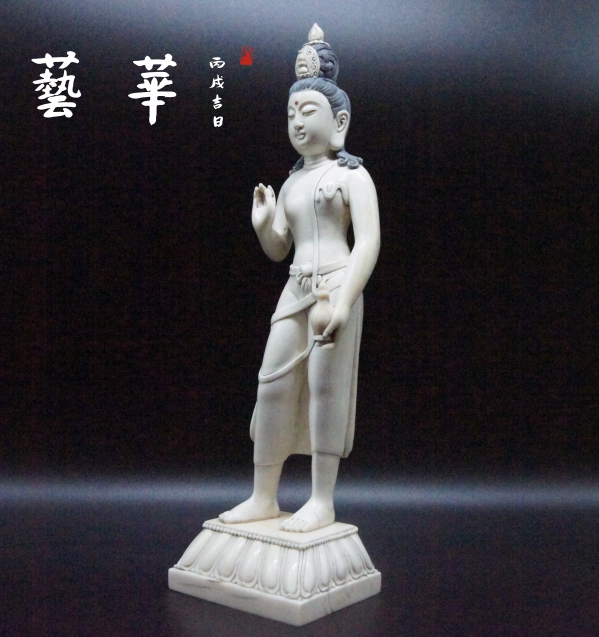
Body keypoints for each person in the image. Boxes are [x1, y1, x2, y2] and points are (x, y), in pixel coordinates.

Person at [219, 25, 380, 533]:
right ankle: (263, 495)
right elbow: (278, 250)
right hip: (295, 287)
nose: (297, 122)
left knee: (325, 390)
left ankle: (321, 500)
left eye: (308, 111)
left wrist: (344, 301)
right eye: (291, 113)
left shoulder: (352, 176)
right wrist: (264, 225)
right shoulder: (291, 182)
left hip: (335, 283)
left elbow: (368, 243)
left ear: (339, 121)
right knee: (272, 384)